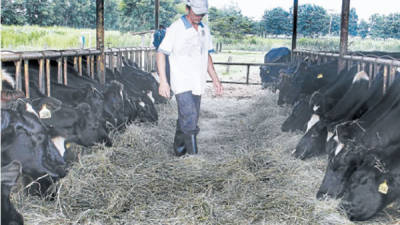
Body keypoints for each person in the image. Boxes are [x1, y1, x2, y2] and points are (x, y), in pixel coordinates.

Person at [156, 0, 223, 156]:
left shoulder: (204, 29)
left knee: (188, 117)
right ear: (187, 8)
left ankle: (179, 152)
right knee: (190, 117)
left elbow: (206, 56)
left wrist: (215, 80)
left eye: (202, 13)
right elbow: (161, 53)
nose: (199, 16)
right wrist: (163, 82)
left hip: (198, 82)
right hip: (181, 81)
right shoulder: (176, 28)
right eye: (196, 12)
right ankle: (194, 158)